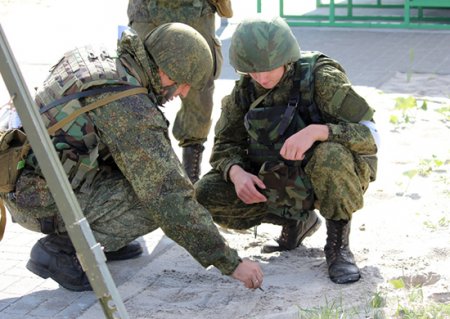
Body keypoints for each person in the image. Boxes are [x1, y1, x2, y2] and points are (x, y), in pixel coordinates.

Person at [1, 23, 263, 291]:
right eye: (182, 83)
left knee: (144, 177)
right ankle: (60, 250)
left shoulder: (104, 61)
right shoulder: (129, 108)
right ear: (163, 69)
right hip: (39, 201)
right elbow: (170, 194)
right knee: (152, 203)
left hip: (28, 179)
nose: (182, 93)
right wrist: (231, 262)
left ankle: (104, 239)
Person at [194, 17, 379, 284]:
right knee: (206, 192)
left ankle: (338, 246)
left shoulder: (320, 78)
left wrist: (317, 132)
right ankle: (295, 222)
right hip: (277, 178)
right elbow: (225, 145)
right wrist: (236, 174)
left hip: (325, 176)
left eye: (268, 68)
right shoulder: (245, 89)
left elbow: (370, 135)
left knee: (331, 155)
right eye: (251, 70)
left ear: (286, 57)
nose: (261, 77)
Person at [127, 0, 233, 183]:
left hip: (196, 12)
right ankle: (140, 168)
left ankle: (190, 171)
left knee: (199, 85)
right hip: (148, 13)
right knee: (141, 83)